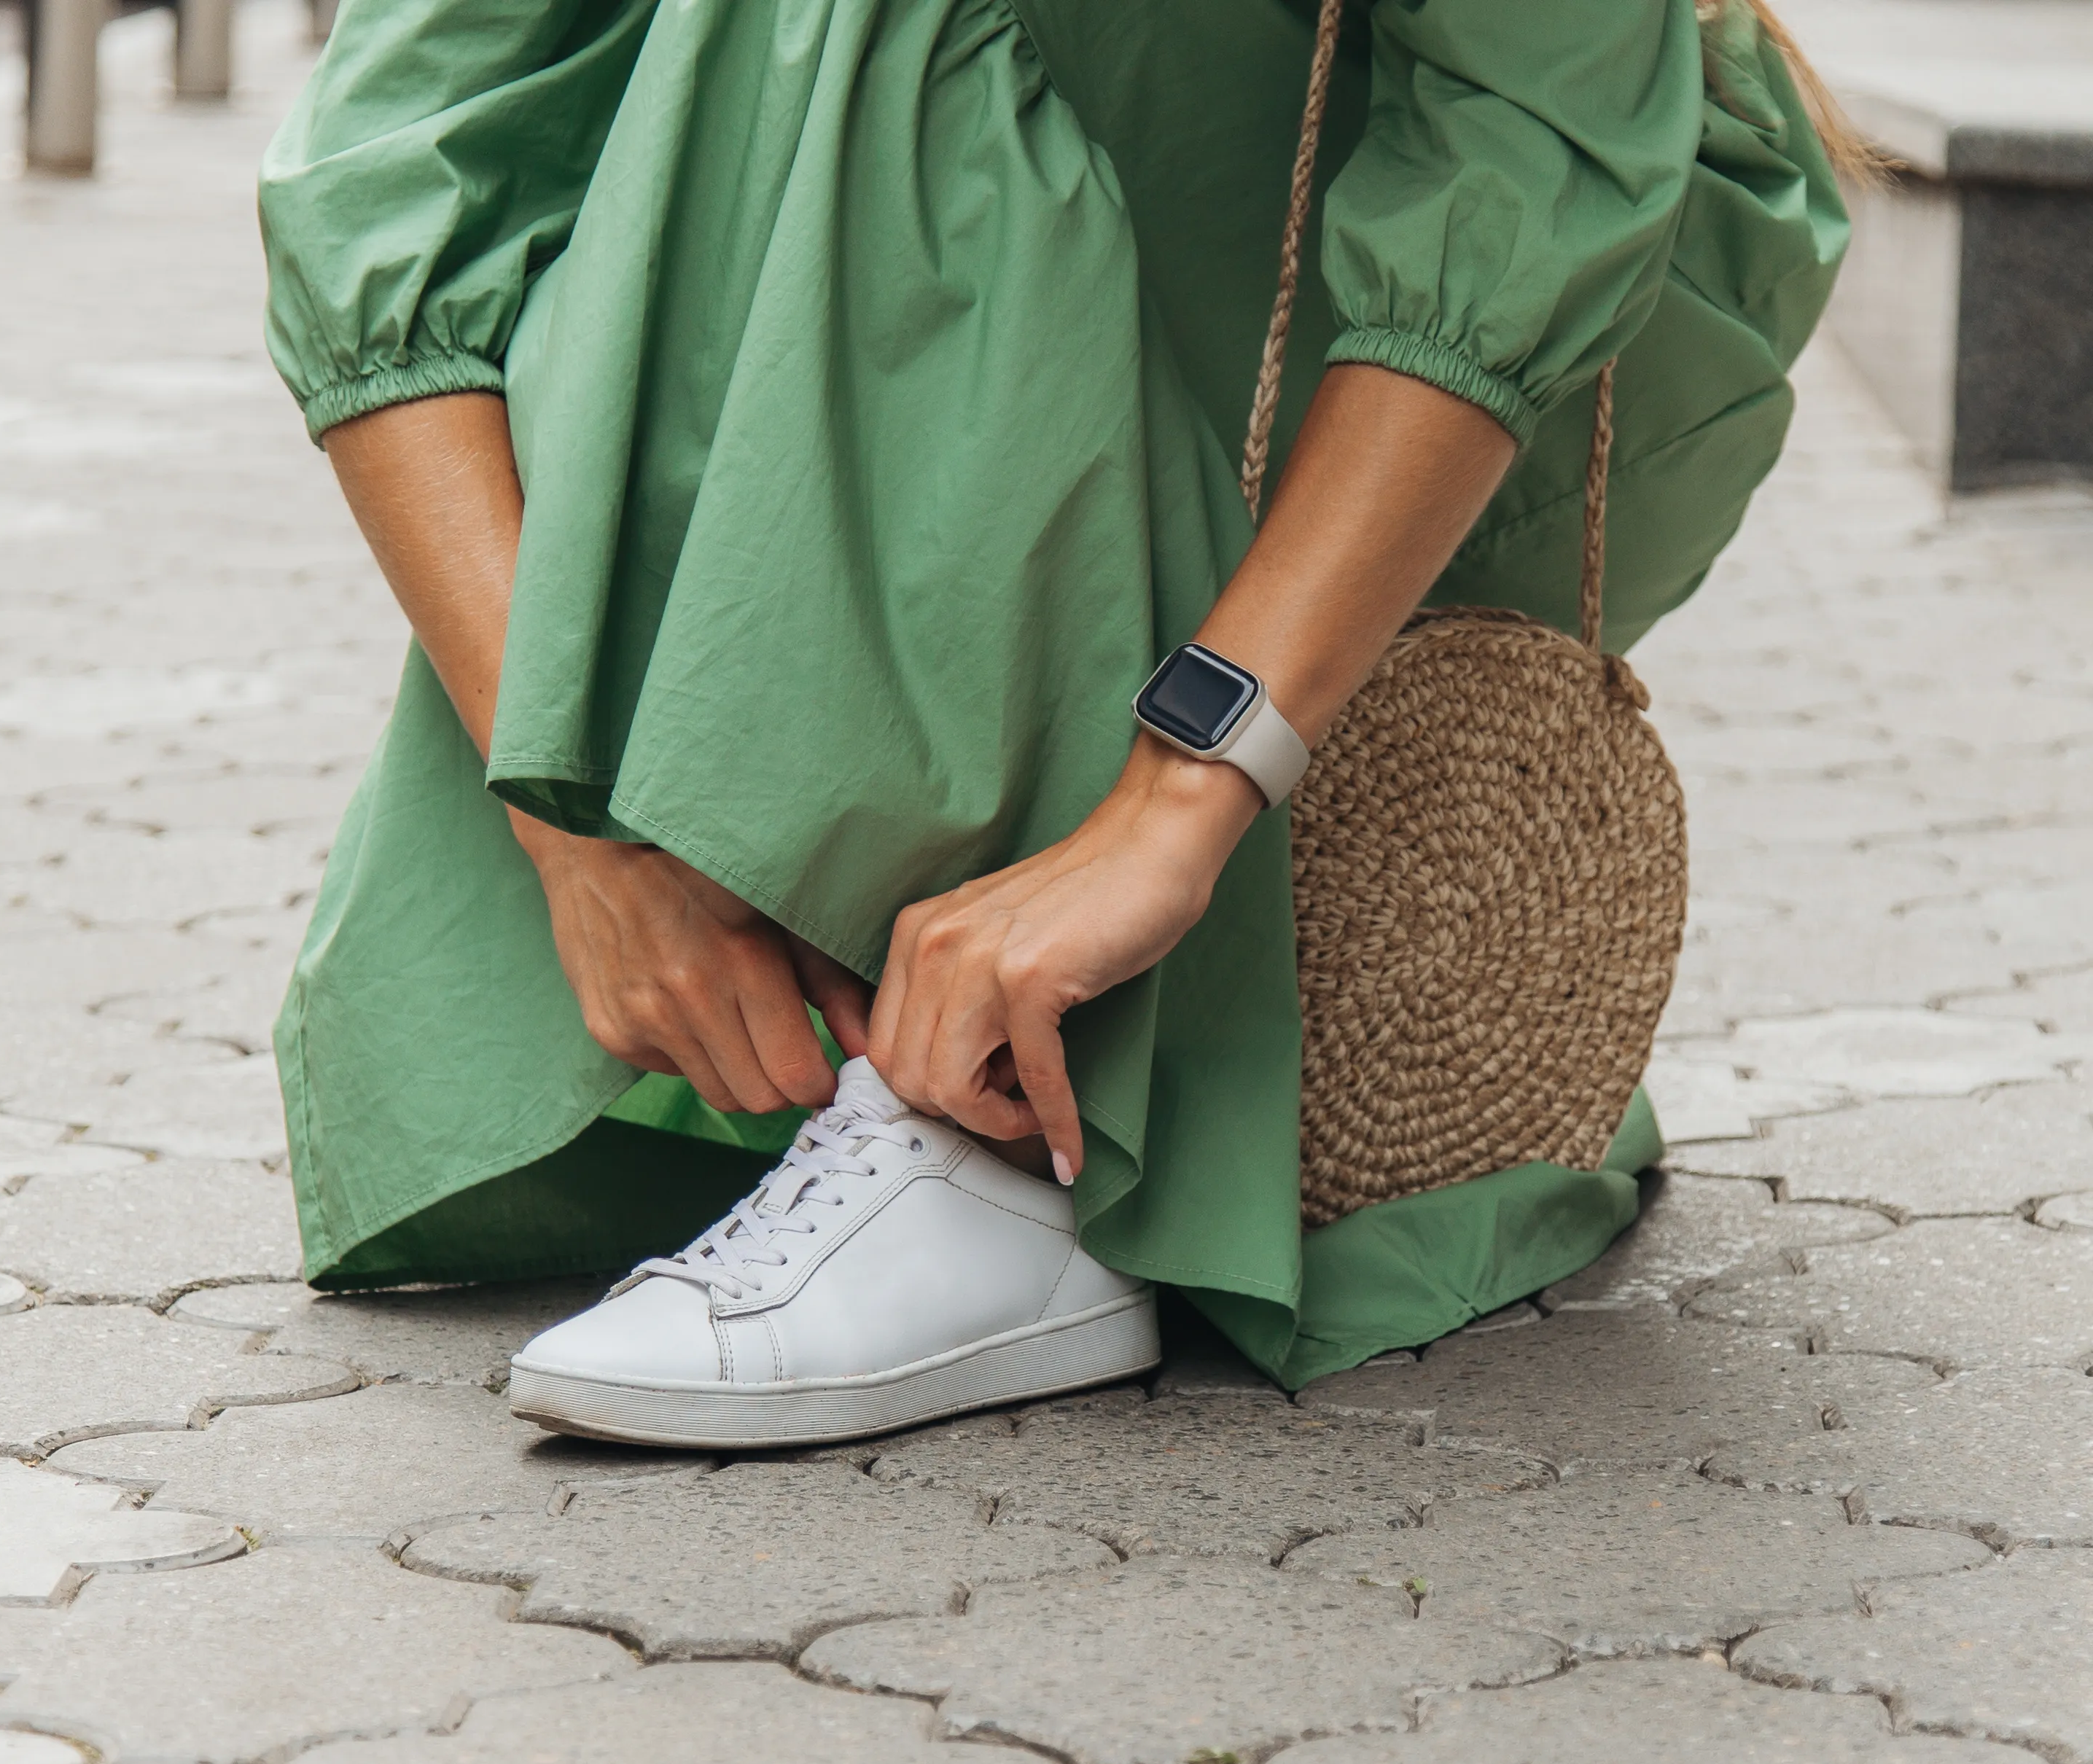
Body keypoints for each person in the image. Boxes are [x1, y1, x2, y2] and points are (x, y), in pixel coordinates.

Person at [258, 0, 1851, 1446]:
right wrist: (577, 832)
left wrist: (1179, 796)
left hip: (1436, 357)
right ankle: (919, 970)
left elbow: (1538, 144)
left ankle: (1010, 1153)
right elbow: (396, 150)